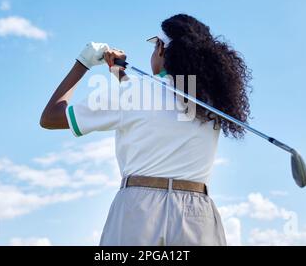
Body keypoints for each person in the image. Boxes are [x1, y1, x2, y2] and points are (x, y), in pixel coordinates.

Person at [40, 14, 252, 245]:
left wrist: (83, 63)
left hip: (139, 208)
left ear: (161, 49)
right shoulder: (212, 103)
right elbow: (158, 101)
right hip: (196, 212)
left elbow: (50, 117)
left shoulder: (135, 94)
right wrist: (118, 73)